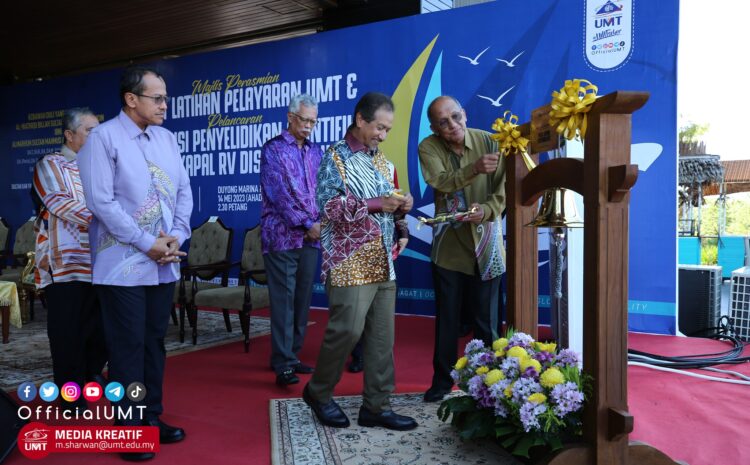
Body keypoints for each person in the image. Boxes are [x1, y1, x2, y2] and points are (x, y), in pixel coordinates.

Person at [78, 66, 192, 461]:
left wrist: (177, 234)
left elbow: (183, 191)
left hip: (165, 260)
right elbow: (101, 203)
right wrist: (147, 243)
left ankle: (150, 417)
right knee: (126, 346)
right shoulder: (103, 139)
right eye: (156, 97)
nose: (165, 104)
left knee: (153, 342)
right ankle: (128, 428)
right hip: (122, 264)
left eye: (164, 97)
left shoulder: (167, 138)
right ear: (131, 99)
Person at [302, 92, 415, 431]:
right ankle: (319, 393)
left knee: (382, 338)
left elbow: (391, 200)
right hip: (349, 258)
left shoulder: (383, 162)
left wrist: (402, 217)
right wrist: (379, 204)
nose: (383, 135)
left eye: (388, 130)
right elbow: (330, 209)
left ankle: (377, 406)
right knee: (347, 330)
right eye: (379, 127)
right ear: (360, 120)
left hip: (384, 259)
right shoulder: (334, 158)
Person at [418, 95, 506, 403]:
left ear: (465, 114)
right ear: (434, 127)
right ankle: (442, 381)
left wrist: (487, 211)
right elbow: (441, 182)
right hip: (449, 250)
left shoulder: (490, 141)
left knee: (487, 322)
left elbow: (502, 190)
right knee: (448, 322)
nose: (452, 125)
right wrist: (474, 169)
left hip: (487, 245)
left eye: (456, 117)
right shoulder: (428, 147)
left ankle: (489, 383)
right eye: (443, 122)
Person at [32, 107, 107, 412]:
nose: (97, 136)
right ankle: (69, 393)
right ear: (69, 135)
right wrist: (112, 220)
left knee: (99, 328)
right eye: (91, 130)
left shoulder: (101, 167)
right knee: (67, 331)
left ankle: (91, 375)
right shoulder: (51, 164)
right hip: (64, 265)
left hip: (101, 263)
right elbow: (61, 204)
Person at [260, 94, 322, 386]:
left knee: (301, 300)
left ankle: (293, 355)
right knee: (283, 301)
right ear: (290, 117)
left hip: (312, 239)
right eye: (304, 119)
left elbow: (323, 190)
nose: (309, 125)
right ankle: (282, 362)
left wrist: (320, 224)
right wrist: (307, 223)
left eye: (313, 120)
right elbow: (279, 195)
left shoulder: (316, 151)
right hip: (282, 238)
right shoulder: (273, 150)